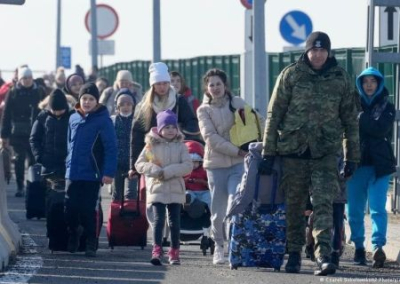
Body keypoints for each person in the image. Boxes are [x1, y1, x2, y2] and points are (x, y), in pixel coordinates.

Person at [259, 31, 360, 276]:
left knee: (324, 204)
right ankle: (293, 254)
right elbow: (274, 115)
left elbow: (350, 120)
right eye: (313, 50)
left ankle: (323, 255)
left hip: (325, 152)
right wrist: (268, 152)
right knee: (294, 206)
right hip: (293, 151)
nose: (318, 55)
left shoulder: (341, 78)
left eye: (322, 50)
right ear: (306, 51)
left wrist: (351, 157)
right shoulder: (291, 75)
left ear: (329, 52)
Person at [196, 68, 249, 265]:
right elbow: (211, 139)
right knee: (218, 210)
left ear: (225, 85)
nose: (216, 88)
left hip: (238, 164)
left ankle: (235, 246)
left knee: (235, 203)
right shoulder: (203, 110)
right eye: (211, 85)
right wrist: (237, 151)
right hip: (216, 165)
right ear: (207, 88)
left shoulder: (237, 102)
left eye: (219, 84)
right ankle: (219, 245)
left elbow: (256, 123)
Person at [346, 67, 396, 268]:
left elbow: (380, 128)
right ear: (360, 84)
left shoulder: (387, 106)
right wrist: (364, 122)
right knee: (355, 210)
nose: (369, 85)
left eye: (373, 81)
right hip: (355, 164)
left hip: (379, 166)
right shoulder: (350, 105)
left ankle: (378, 247)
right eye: (365, 81)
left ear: (379, 84)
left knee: (377, 209)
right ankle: (359, 246)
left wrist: (359, 119)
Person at [65, 82, 117, 257]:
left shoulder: (103, 120)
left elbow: (111, 148)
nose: (87, 102)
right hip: (73, 173)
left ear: (97, 101)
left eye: (91, 99)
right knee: (70, 208)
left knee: (88, 210)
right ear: (80, 99)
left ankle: (90, 241)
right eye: (84, 98)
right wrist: (67, 164)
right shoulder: (73, 118)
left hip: (92, 174)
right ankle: (73, 233)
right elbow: (69, 144)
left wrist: (108, 172)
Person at [135, 110, 192, 266]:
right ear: (159, 129)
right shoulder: (150, 146)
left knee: (175, 222)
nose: (170, 131)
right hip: (157, 188)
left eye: (173, 127)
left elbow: (188, 166)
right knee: (158, 221)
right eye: (166, 127)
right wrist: (153, 170)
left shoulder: (181, 146)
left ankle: (174, 251)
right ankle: (157, 250)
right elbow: (139, 164)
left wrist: (168, 172)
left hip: (175, 188)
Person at [129, 62, 200, 180]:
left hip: (175, 156)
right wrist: (133, 166)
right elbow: (137, 135)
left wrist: (180, 135)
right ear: (153, 85)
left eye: (165, 83)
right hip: (153, 158)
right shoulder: (145, 105)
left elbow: (192, 123)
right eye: (158, 84)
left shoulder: (178, 100)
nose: (162, 87)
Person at [0, 66, 46, 197]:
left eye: (29, 78)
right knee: (19, 160)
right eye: (24, 78)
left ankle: (32, 185)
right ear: (20, 79)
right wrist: (4, 134)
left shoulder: (39, 91)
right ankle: (20, 186)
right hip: (18, 133)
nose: (27, 80)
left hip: (35, 131)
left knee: (34, 160)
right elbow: (6, 114)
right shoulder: (13, 92)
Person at [29, 89, 73, 193]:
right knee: (47, 197)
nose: (57, 113)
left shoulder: (73, 117)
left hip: (67, 165)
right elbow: (34, 139)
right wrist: (39, 157)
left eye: (60, 110)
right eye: (54, 110)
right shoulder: (43, 117)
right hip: (48, 165)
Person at [111, 88, 137, 201]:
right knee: (117, 193)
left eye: (128, 104)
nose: (125, 107)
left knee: (131, 193)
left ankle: (131, 216)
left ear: (133, 105)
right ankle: (116, 216)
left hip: (133, 162)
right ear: (117, 106)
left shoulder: (137, 121)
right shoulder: (113, 120)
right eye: (122, 104)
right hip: (117, 162)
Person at [183, 140, 210, 209]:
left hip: (203, 191)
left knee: (209, 197)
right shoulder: (185, 171)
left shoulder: (204, 170)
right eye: (191, 162)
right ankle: (186, 202)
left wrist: (202, 182)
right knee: (187, 194)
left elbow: (209, 183)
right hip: (191, 191)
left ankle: (212, 212)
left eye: (196, 162)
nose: (193, 165)